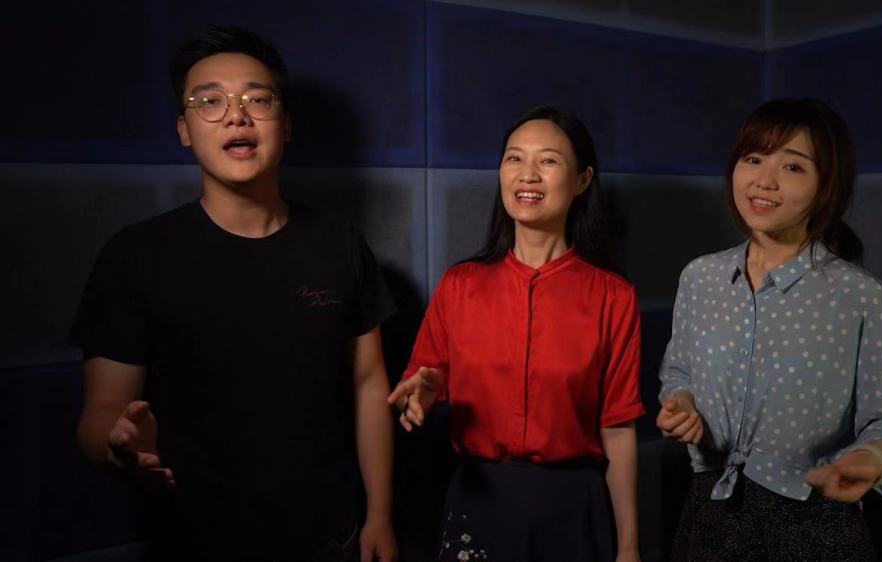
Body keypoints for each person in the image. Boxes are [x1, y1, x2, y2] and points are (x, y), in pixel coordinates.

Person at [73, 26, 397, 562]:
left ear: (285, 124)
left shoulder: (339, 242)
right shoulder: (136, 255)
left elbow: (369, 383)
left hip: (328, 536)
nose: (236, 116)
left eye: (257, 100)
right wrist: (119, 445)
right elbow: (101, 410)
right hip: (194, 539)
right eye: (210, 101)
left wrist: (380, 515)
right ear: (184, 130)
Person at [656, 98, 882, 560]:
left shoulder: (859, 297)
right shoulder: (700, 278)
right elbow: (679, 371)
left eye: (792, 167)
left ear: (826, 186)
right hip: (709, 513)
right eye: (753, 159)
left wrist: (871, 460)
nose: (764, 181)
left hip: (814, 525)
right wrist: (681, 403)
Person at [388, 106, 643, 562]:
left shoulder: (613, 296)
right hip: (478, 497)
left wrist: (629, 548)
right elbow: (423, 379)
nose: (528, 174)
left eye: (548, 160)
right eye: (514, 158)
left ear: (582, 180)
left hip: (574, 504)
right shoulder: (460, 285)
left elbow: (619, 430)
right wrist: (425, 389)